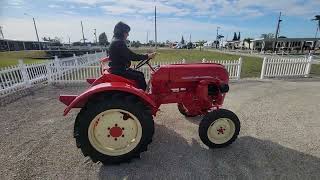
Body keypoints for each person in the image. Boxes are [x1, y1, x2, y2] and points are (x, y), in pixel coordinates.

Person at [109, 21, 156, 91]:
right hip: (120, 70)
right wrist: (147, 56)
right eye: (126, 32)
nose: (128, 35)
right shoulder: (119, 42)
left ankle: (143, 92)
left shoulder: (115, 41)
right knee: (140, 76)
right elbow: (132, 56)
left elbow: (127, 55)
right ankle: (144, 95)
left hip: (118, 68)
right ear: (121, 32)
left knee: (139, 74)